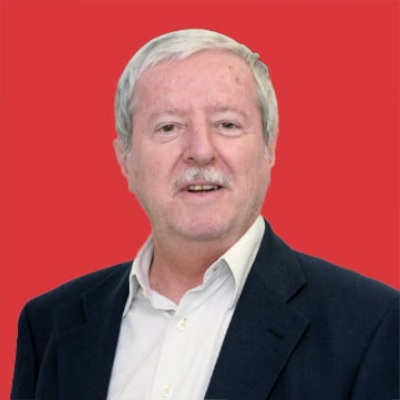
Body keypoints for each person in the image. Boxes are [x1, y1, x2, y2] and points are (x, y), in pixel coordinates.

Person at [11, 29, 399, 400]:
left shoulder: (370, 324)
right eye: (168, 127)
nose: (200, 150)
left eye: (226, 124)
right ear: (125, 160)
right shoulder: (50, 326)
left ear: (269, 148)